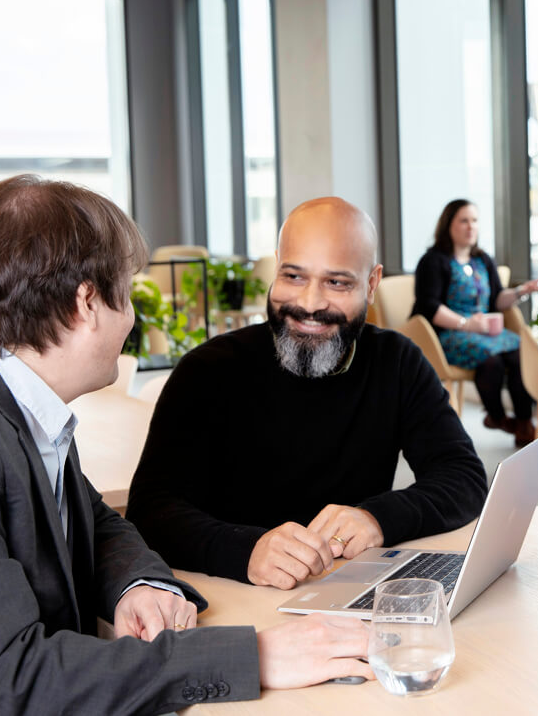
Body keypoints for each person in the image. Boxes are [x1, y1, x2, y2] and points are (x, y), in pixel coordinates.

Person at [0, 176, 373, 715]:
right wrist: (256, 655)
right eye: (124, 294)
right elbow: (9, 685)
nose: (130, 317)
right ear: (86, 303)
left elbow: (93, 520)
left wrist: (136, 583)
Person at [127, 197, 488, 591]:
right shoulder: (208, 369)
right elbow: (151, 509)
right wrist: (244, 550)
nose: (310, 304)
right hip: (232, 594)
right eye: (294, 276)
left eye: (337, 282)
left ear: (371, 284)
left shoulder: (397, 362)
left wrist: (378, 518)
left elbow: (463, 476)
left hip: (345, 589)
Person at [413, 199, 538, 443]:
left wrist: (520, 291)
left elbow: (497, 299)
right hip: (449, 333)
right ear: (448, 225)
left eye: (474, 220)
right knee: (490, 360)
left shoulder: (483, 260)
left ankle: (525, 424)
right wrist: (467, 324)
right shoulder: (432, 261)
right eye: (464, 220)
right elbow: (429, 307)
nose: (470, 226)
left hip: (485, 332)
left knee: (521, 354)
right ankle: (498, 417)